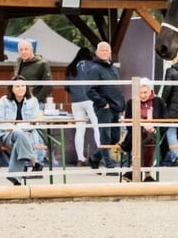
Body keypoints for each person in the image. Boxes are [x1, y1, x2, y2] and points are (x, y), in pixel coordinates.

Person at [0, 75, 43, 185]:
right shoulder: (4, 101)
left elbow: (35, 123)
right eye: (17, 86)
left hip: (29, 135)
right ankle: (34, 161)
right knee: (19, 133)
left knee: (19, 140)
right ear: (11, 89)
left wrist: (18, 126)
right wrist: (18, 127)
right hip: (8, 135)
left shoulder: (33, 101)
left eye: (23, 86)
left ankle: (15, 178)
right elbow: (0, 123)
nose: (21, 88)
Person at [87, 42, 125, 171]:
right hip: (104, 108)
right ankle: (108, 162)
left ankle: (95, 157)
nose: (104, 52)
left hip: (116, 107)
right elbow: (90, 90)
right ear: (97, 52)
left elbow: (118, 88)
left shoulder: (113, 68)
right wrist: (103, 103)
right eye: (102, 50)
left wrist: (122, 104)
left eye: (107, 50)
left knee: (115, 137)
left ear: (110, 53)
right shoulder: (95, 69)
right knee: (105, 135)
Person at [120, 78, 167, 182]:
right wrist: (141, 126)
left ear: (150, 91)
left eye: (145, 92)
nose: (143, 95)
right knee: (143, 137)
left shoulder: (159, 101)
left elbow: (164, 120)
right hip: (136, 132)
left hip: (155, 132)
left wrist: (154, 128)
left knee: (150, 138)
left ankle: (133, 170)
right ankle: (147, 174)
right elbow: (128, 121)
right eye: (140, 93)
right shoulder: (131, 102)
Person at [65, 47, 100, 166]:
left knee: (80, 130)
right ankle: (100, 155)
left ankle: (80, 158)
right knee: (97, 127)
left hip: (76, 101)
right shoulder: (93, 65)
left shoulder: (71, 67)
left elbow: (67, 87)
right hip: (91, 99)